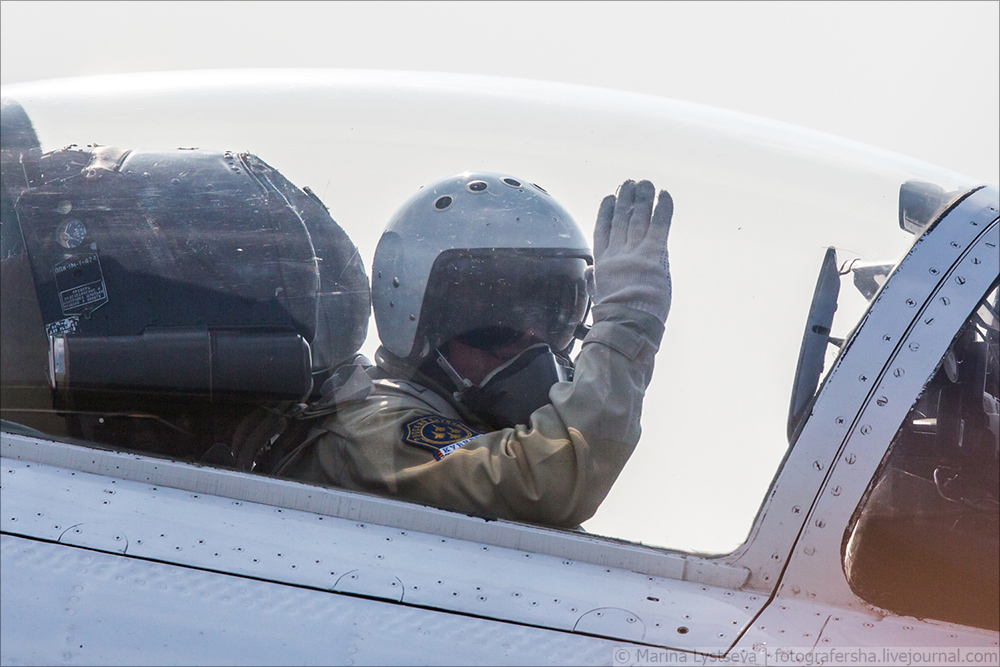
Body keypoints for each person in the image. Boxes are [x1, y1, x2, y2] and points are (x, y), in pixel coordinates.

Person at [275, 172, 673, 528]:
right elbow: (544, 483)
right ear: (418, 318)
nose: (533, 339)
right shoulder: (370, 428)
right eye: (502, 320)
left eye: (555, 312)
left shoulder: (475, 427)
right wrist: (625, 327)